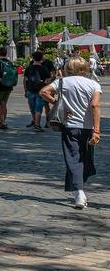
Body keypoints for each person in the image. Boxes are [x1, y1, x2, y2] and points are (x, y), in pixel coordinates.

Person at [39, 57, 102, 209]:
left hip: (69, 126)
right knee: (85, 158)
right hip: (87, 127)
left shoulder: (61, 82)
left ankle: (79, 192)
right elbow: (95, 106)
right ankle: (79, 191)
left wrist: (58, 104)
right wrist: (97, 130)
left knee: (73, 158)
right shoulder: (94, 84)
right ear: (85, 68)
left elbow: (43, 92)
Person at [24, 50, 55, 131]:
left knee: (32, 107)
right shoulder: (44, 68)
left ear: (33, 58)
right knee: (39, 108)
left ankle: (35, 122)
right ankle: (37, 125)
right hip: (41, 90)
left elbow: (25, 79)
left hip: (30, 90)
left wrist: (25, 90)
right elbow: (49, 79)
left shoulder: (28, 68)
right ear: (41, 58)